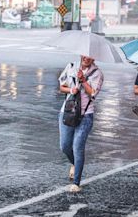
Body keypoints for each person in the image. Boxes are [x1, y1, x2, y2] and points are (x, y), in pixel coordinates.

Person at [58, 55, 104, 192]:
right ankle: (74, 163)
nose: (87, 58)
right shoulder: (71, 66)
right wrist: (71, 90)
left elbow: (94, 94)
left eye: (90, 56)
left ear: (94, 58)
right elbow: (62, 86)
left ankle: (76, 182)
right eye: (85, 55)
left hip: (85, 115)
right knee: (65, 146)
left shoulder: (97, 73)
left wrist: (83, 81)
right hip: (67, 112)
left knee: (77, 147)